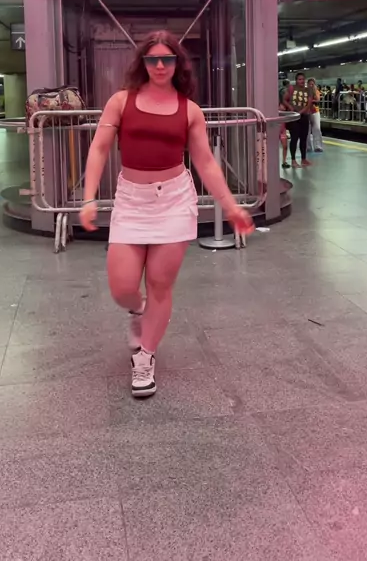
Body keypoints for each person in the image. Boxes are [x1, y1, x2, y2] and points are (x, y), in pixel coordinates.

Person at [79, 31, 253, 399]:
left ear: (177, 64)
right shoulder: (120, 101)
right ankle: (137, 312)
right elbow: (99, 149)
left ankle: (145, 357)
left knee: (160, 284)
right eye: (153, 59)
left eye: (167, 59)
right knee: (123, 288)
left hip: (174, 200)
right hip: (131, 200)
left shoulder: (189, 110)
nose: (160, 65)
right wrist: (88, 197)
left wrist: (231, 206)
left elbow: (205, 162)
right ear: (142, 63)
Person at [282, 72, 313, 168]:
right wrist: (290, 107)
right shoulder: (291, 88)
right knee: (294, 138)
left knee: (304, 138)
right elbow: (284, 99)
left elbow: (309, 104)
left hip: (304, 116)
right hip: (293, 117)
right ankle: (293, 160)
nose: (301, 81)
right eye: (299, 79)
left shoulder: (308, 90)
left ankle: (303, 159)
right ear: (296, 80)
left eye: (303, 79)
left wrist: (301, 112)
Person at [307, 77, 323, 152]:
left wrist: (311, 100)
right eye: (310, 84)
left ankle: (318, 146)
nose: (311, 85)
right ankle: (307, 147)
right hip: (307, 112)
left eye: (312, 84)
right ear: (307, 84)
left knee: (317, 129)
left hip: (315, 112)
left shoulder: (316, 91)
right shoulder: (304, 92)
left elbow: (318, 100)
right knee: (307, 131)